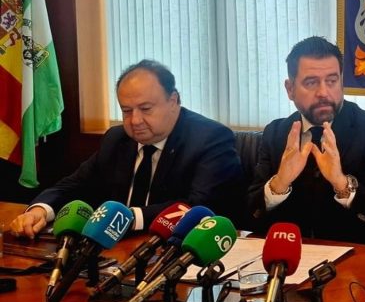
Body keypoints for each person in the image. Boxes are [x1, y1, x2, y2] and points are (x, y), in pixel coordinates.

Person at [9, 60, 243, 237]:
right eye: (127, 111)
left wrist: (125, 218)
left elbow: (198, 207)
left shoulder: (210, 139)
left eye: (145, 108)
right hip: (115, 252)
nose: (135, 120)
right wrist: (40, 210)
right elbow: (74, 185)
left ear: (173, 101)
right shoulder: (117, 139)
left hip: (176, 252)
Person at [247, 36, 365, 243]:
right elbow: (250, 216)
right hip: (292, 255)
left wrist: (341, 182)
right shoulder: (276, 133)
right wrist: (280, 183)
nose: (323, 92)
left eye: (331, 81)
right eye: (311, 83)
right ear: (290, 89)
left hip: (353, 255)